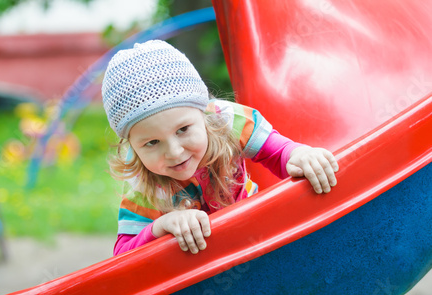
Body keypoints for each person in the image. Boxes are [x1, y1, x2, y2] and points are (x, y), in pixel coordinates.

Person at [102, 40, 339, 256]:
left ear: (203, 112)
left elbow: (279, 153)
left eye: (183, 129)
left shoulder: (227, 121)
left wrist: (299, 155)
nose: (174, 152)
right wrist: (160, 227)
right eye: (152, 143)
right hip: (198, 266)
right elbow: (122, 255)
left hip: (254, 235)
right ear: (131, 145)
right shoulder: (141, 183)